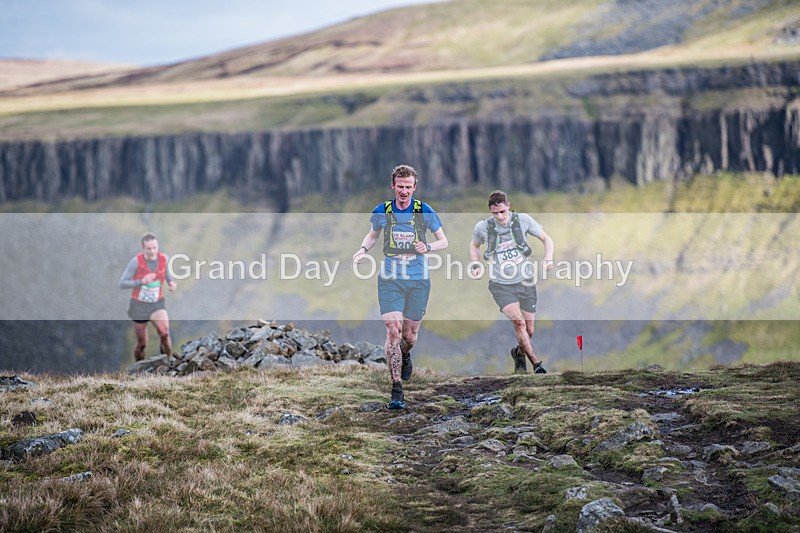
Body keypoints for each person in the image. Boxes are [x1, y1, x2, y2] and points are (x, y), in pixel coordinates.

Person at [353, 164, 447, 409]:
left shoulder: (424, 211)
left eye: (408, 187)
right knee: (393, 329)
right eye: (400, 186)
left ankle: (405, 354)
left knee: (409, 336)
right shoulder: (383, 211)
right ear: (393, 186)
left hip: (418, 279)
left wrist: (428, 247)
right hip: (390, 278)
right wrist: (362, 250)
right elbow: (372, 235)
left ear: (414, 187)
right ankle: (396, 389)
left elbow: (443, 241)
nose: (404, 191)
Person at [469, 190, 554, 374]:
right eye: (495, 213)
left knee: (529, 330)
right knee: (519, 322)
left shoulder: (523, 220)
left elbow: (546, 239)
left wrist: (548, 257)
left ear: (508, 206)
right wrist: (476, 264)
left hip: (525, 281)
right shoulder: (483, 227)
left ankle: (518, 353)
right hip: (501, 284)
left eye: (502, 211)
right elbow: (474, 245)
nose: (499, 217)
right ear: (490, 211)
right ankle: (537, 365)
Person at [119, 232, 177, 361]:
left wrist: (171, 282)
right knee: (142, 343)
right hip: (139, 306)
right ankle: (139, 367)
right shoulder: (136, 262)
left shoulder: (164, 258)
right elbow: (122, 283)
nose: (152, 251)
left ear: (158, 246)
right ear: (143, 248)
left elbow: (166, 273)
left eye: (154, 248)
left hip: (156, 303)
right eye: (149, 248)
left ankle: (168, 364)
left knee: (165, 334)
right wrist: (141, 281)